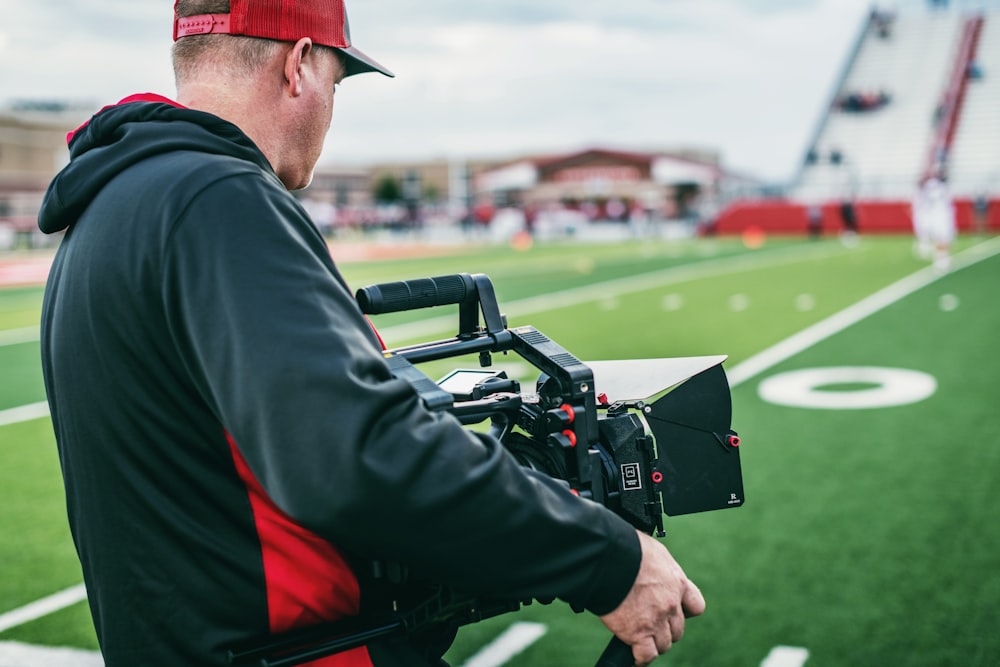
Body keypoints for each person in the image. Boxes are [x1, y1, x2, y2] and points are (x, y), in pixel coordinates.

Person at [37, 1, 705, 666]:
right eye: (335, 79)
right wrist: (606, 556)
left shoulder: (104, 208)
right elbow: (355, 453)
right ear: (299, 66)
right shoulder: (219, 197)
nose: (331, 107)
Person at [910, 173, 957, 271]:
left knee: (939, 238)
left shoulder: (926, 190)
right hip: (940, 215)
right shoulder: (941, 189)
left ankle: (940, 258)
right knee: (941, 238)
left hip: (934, 214)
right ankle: (941, 260)